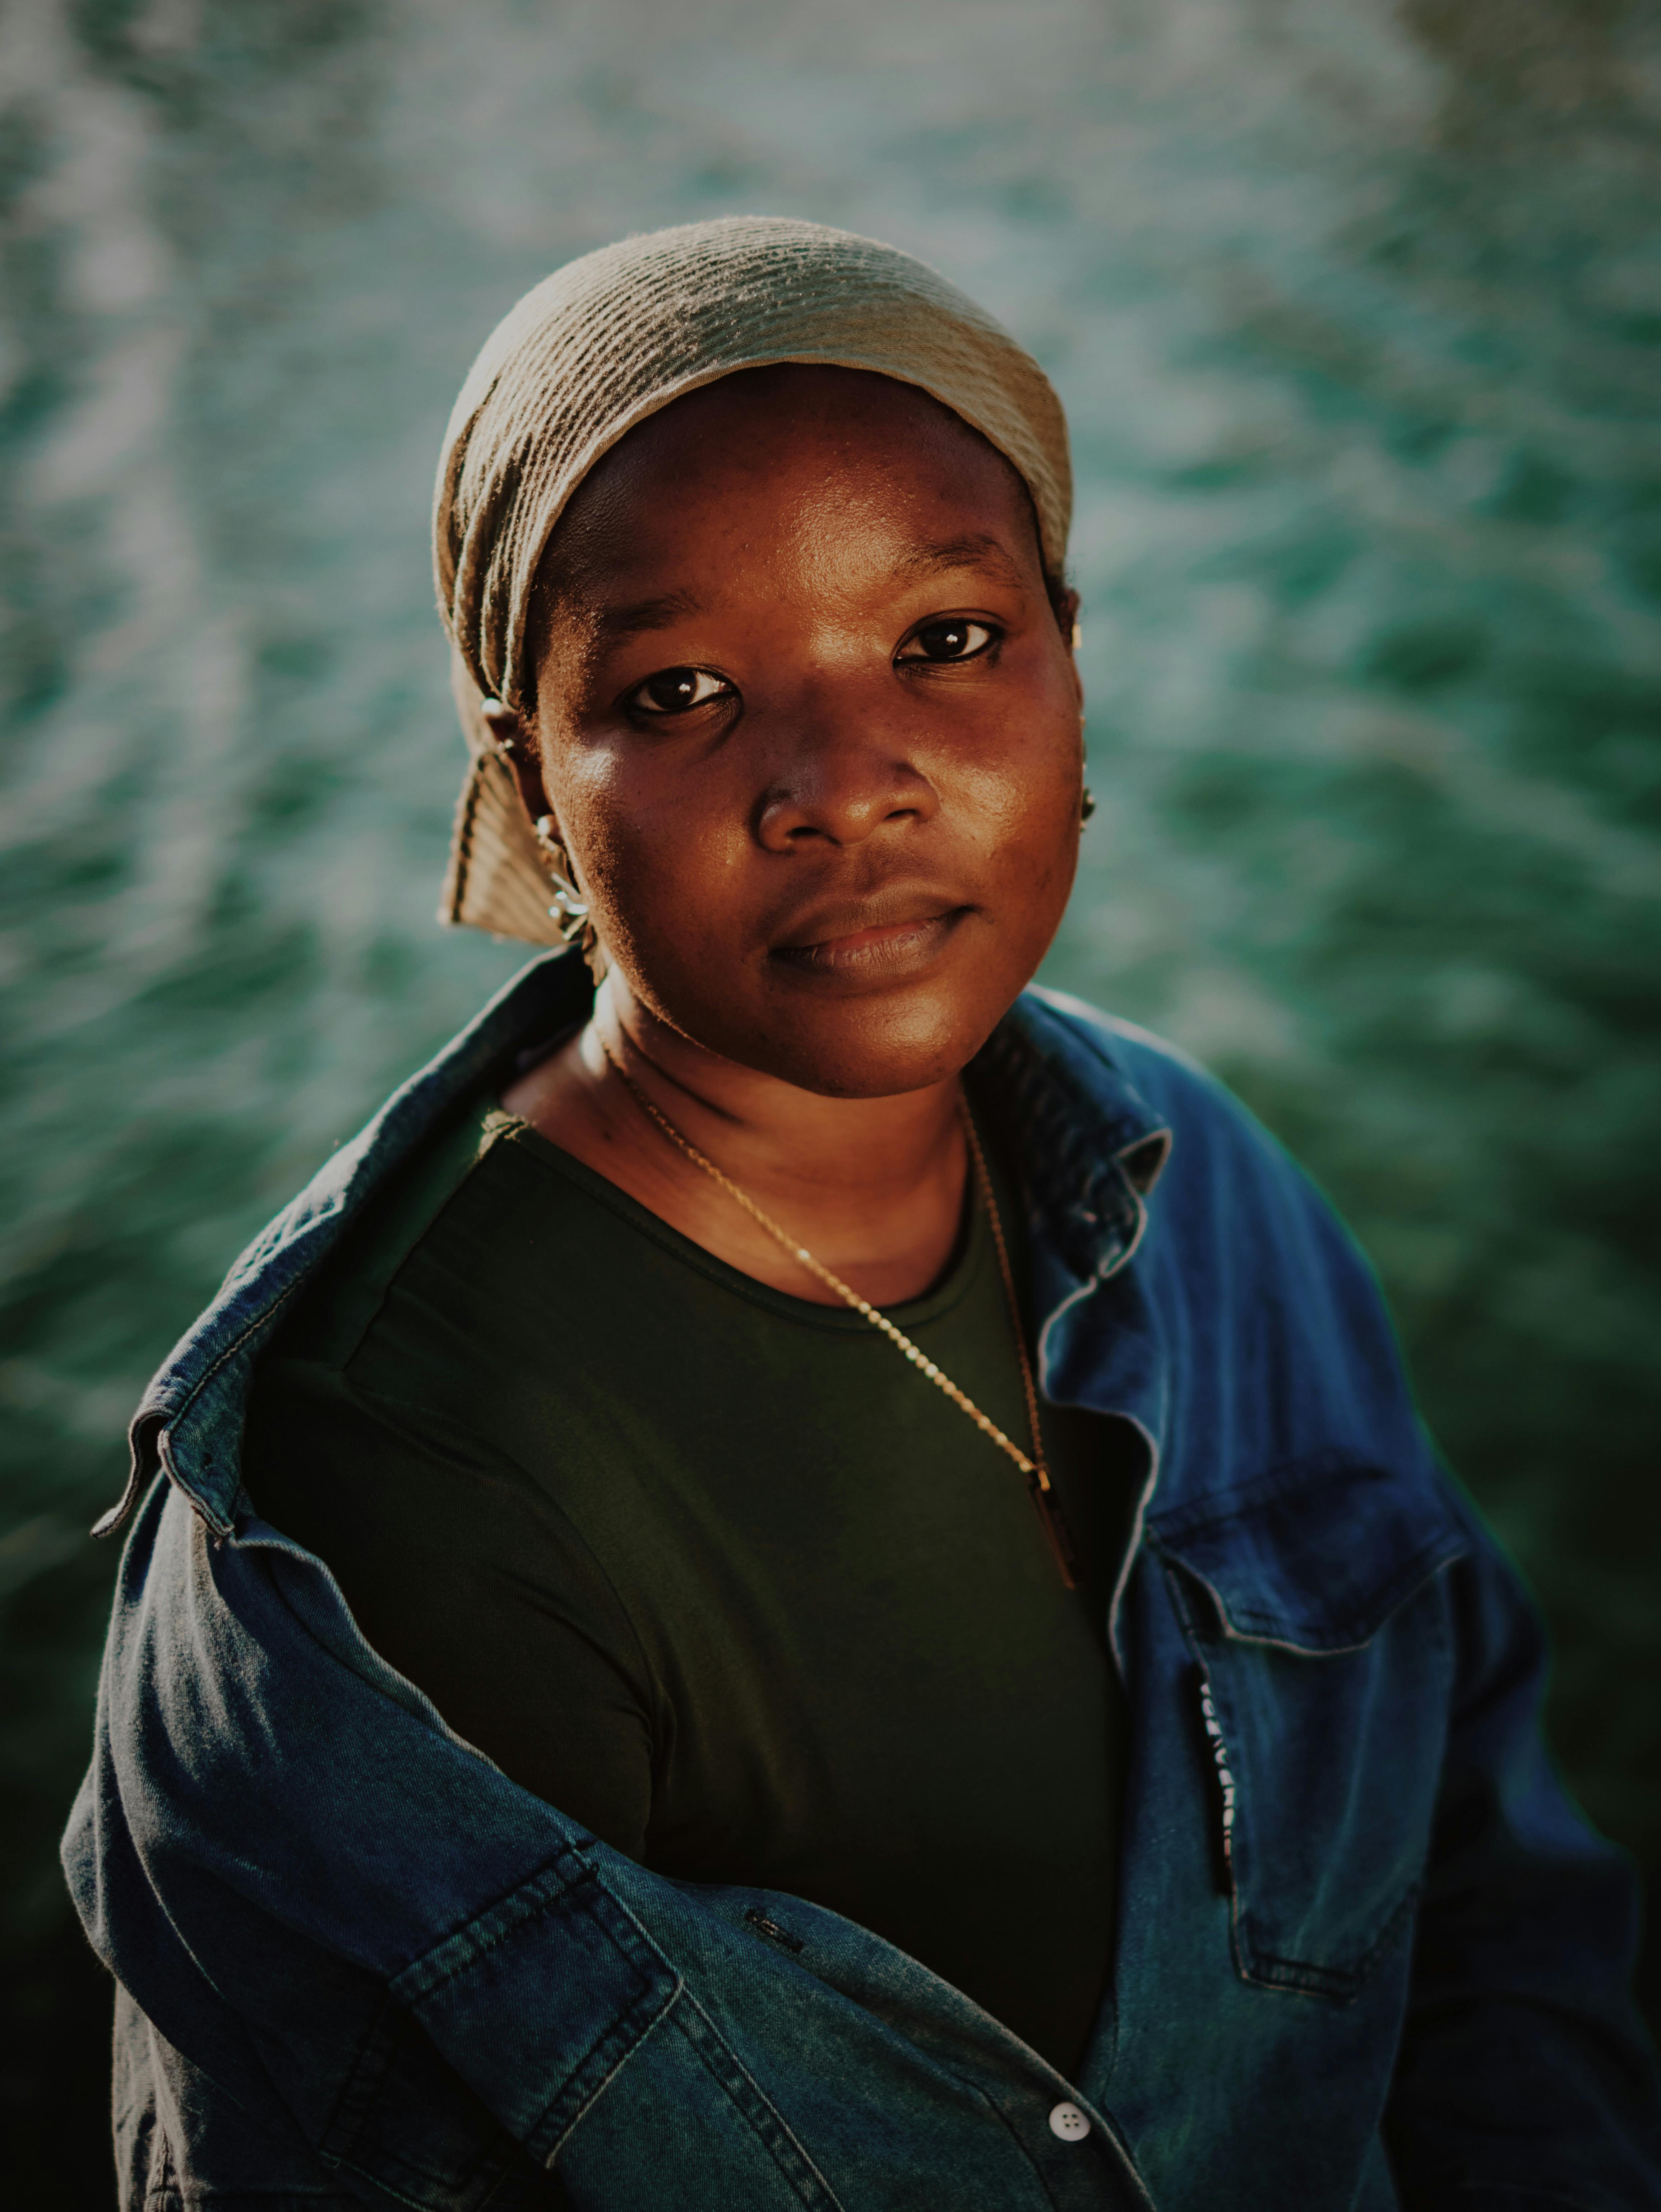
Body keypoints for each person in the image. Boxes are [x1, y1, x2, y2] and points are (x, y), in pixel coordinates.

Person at [65, 217, 1660, 2210]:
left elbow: (1485, 1896)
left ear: (1073, 655)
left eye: (947, 642)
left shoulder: (1199, 1188)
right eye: (686, 690)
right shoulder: (389, 1518)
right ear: (529, 780)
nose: (846, 779)